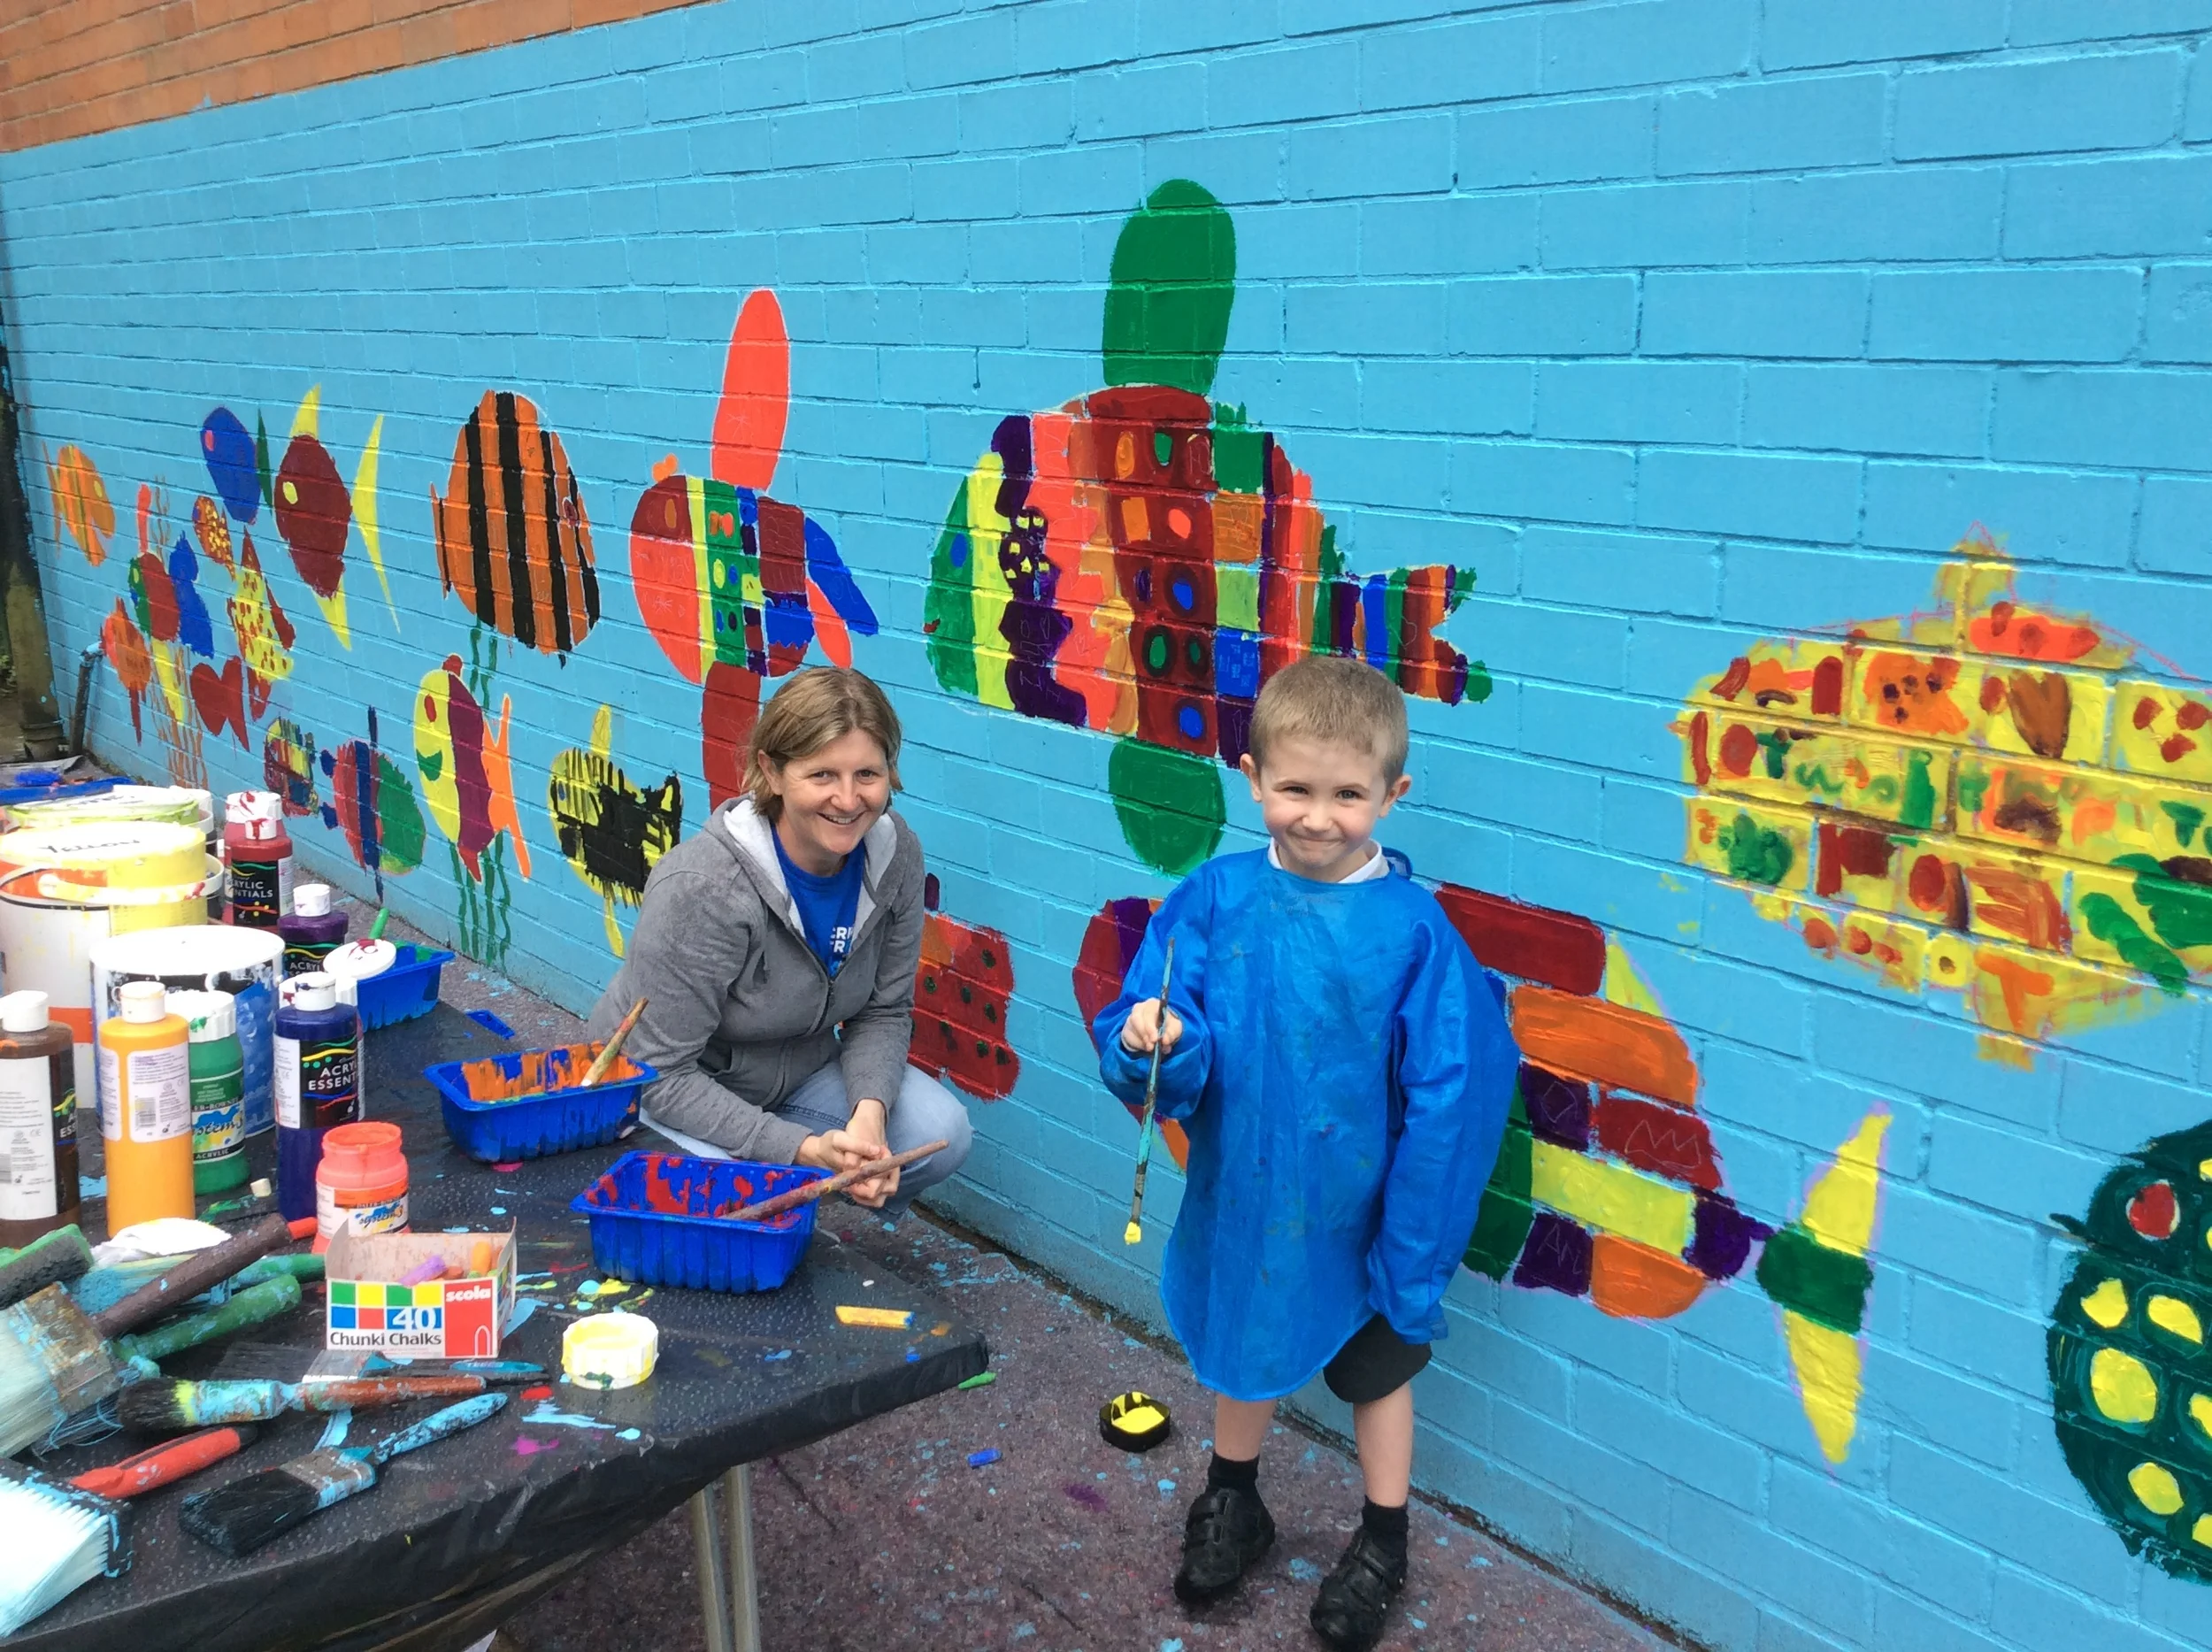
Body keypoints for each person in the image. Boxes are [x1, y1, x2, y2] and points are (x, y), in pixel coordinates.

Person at [1093, 656, 1517, 1652]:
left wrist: (1412, 1246)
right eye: (1295, 789)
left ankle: (1383, 1535)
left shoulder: (1412, 931)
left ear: (1391, 793)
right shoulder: (1214, 896)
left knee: (1377, 1370)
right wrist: (1156, 1035)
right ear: (1252, 778)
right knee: (1245, 1339)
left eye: (1347, 795)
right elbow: (1163, 1018)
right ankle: (1233, 1496)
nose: (1318, 817)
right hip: (1250, 1191)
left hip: (1370, 1208)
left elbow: (1454, 1092)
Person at [588, 666, 972, 1215]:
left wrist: (869, 1118)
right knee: (716, 1218)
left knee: (941, 1130)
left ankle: (792, 1210)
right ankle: (763, 1205)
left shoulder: (896, 857)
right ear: (771, 771)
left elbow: (884, 1011)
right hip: (668, 1095)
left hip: (800, 1076)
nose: (848, 800)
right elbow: (658, 1074)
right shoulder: (703, 888)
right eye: (822, 775)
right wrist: (803, 1148)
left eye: (867, 773)